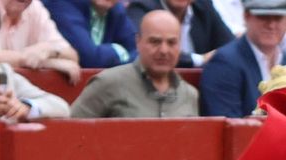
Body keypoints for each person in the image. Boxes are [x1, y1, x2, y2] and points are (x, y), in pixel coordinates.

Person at [70, 7, 198, 115]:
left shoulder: (190, 95)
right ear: (138, 42)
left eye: (171, 43)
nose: (164, 50)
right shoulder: (108, 83)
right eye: (155, 42)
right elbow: (68, 132)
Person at [197, 0, 286, 117]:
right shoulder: (225, 63)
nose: (271, 25)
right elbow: (226, 124)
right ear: (246, 16)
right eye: (263, 17)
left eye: (278, 18)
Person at [0, 0, 82, 83]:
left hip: (16, 86)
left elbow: (72, 56)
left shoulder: (34, 7)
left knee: (54, 100)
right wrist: (46, 63)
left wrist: (50, 51)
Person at [126, 0, 230, 68]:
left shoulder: (203, 6)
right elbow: (144, 50)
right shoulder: (141, 6)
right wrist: (200, 59)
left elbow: (231, 45)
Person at [48, 0, 136, 66]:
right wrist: (119, 51)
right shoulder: (62, 3)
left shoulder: (116, 10)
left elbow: (139, 51)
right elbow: (88, 58)